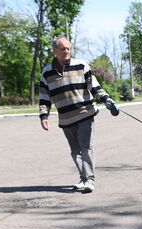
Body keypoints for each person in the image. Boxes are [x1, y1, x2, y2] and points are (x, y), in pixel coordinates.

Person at [39, 35, 119, 193]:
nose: (67, 51)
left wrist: (107, 100)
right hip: (66, 118)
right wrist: (44, 115)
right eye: (63, 48)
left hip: (85, 114)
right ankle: (83, 179)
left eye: (68, 48)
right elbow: (44, 96)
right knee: (75, 151)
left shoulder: (81, 65)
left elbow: (94, 86)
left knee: (86, 148)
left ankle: (90, 180)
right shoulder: (47, 72)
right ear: (55, 50)